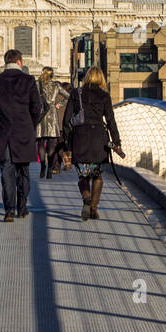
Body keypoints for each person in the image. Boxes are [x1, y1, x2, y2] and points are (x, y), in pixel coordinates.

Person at [0, 49, 43, 222]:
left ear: (5, 62)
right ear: (20, 62)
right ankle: (22, 207)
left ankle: (9, 209)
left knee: (7, 173)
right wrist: (30, 124)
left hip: (4, 134)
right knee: (23, 172)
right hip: (24, 132)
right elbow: (37, 107)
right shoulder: (29, 80)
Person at [62, 66, 124, 221]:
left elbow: (66, 119)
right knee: (97, 176)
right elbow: (111, 121)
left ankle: (86, 199)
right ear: (101, 79)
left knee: (83, 175)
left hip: (80, 138)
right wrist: (116, 141)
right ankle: (94, 208)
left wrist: (67, 141)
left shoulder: (77, 93)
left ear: (87, 77)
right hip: (98, 139)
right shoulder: (104, 95)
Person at [35, 67, 66, 179]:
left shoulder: (37, 85)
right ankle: (49, 168)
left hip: (40, 116)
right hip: (52, 115)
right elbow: (69, 96)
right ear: (52, 75)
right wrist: (59, 104)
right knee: (52, 144)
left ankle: (43, 166)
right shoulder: (56, 86)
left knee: (41, 143)